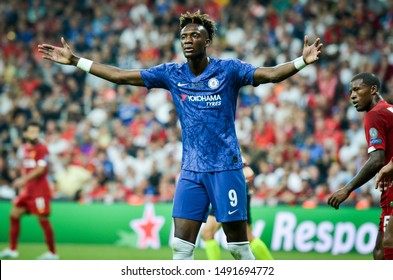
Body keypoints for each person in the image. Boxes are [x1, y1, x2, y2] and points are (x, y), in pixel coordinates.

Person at [38, 10, 322, 260]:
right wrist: (76, 61)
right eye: (184, 36)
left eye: (194, 36)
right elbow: (120, 75)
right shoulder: (172, 74)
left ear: (207, 40)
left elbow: (270, 74)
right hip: (191, 171)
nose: (187, 40)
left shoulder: (229, 70)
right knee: (181, 247)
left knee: (237, 247)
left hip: (226, 168)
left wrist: (302, 61)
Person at [327, 72, 393, 260]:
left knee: (387, 253)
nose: (353, 96)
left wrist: (347, 189)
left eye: (357, 89)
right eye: (350, 92)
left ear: (373, 90)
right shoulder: (389, 110)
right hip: (388, 193)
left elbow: (377, 160)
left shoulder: (375, 115)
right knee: (380, 252)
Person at [0, 121, 59, 260]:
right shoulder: (25, 149)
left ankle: (52, 253)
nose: (34, 134)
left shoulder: (42, 148)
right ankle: (13, 250)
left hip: (40, 191)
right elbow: (24, 168)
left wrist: (23, 180)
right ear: (26, 133)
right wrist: (23, 184)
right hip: (28, 191)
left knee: (42, 219)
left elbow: (40, 169)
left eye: (36, 131)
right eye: (31, 131)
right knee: (14, 214)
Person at [201, 161, 274, 260]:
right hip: (223, 188)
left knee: (246, 237)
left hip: (232, 188)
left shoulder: (227, 147)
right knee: (207, 233)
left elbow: (248, 171)